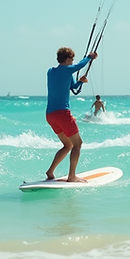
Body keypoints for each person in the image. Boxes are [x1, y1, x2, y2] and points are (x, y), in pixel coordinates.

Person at [45, 47, 97, 182]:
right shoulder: (67, 70)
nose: (73, 62)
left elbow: (73, 87)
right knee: (78, 144)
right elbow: (80, 65)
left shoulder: (51, 71)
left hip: (50, 115)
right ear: (67, 59)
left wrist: (80, 81)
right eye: (71, 59)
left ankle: (50, 172)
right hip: (62, 113)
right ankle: (72, 176)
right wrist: (89, 57)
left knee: (68, 145)